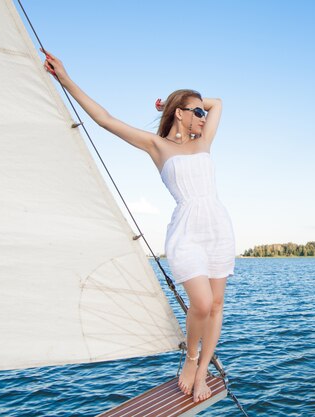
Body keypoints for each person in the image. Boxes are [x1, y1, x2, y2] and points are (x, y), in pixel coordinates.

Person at [42, 49, 236, 403]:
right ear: (180, 114)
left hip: (219, 228)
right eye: (196, 112)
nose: (203, 117)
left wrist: (179, 103)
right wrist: (66, 79)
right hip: (187, 231)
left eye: (202, 113)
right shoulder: (157, 146)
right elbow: (104, 119)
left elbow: (219, 101)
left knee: (218, 304)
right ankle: (191, 361)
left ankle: (204, 366)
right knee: (202, 304)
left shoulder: (204, 140)